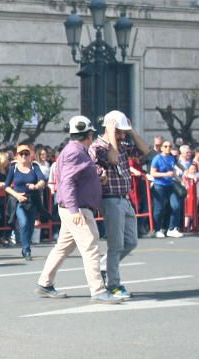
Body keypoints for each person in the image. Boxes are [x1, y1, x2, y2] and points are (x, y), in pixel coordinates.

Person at [35, 116, 121, 304]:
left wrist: (98, 176)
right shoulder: (76, 152)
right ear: (89, 135)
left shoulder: (75, 150)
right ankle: (98, 290)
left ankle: (45, 283)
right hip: (76, 207)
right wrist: (74, 210)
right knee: (91, 246)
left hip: (72, 206)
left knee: (63, 247)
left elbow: (78, 176)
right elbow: (68, 182)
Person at [90, 110, 148, 299]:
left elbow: (144, 151)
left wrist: (131, 131)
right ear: (109, 128)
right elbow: (112, 158)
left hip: (125, 197)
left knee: (131, 241)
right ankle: (114, 284)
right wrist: (110, 132)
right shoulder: (98, 146)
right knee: (116, 245)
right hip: (111, 198)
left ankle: (104, 266)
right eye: (119, 131)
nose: (122, 136)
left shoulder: (122, 144)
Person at [4, 143, 47, 261]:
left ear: (30, 155)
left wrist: (36, 186)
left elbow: (42, 180)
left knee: (30, 226)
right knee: (23, 223)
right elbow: (6, 186)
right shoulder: (13, 168)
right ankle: (26, 249)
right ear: (17, 156)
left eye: (26, 153)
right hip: (19, 202)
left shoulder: (34, 167)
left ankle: (25, 246)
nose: (24, 156)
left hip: (33, 200)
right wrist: (16, 195)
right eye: (21, 154)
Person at [149, 140, 185, 238]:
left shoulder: (172, 158)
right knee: (159, 208)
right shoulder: (157, 158)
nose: (168, 148)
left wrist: (181, 178)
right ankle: (157, 229)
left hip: (170, 185)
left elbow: (177, 168)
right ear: (161, 148)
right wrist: (165, 174)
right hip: (159, 185)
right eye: (165, 146)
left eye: (169, 146)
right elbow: (152, 173)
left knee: (176, 206)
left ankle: (172, 229)